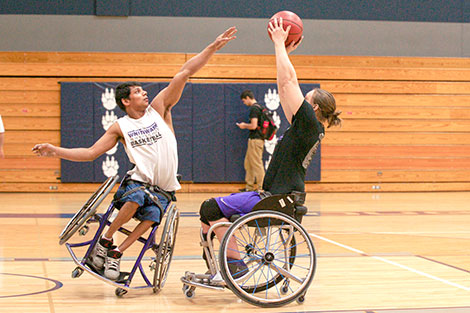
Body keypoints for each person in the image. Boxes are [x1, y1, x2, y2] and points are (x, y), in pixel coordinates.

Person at [32, 27, 237, 280]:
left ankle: (116, 253)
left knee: (152, 217)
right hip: (139, 182)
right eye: (139, 92)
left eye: (143, 90)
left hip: (164, 187)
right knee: (137, 197)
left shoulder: (159, 109)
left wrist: (213, 47)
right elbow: (89, 153)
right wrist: (54, 150)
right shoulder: (121, 126)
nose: (145, 93)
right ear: (126, 101)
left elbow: (184, 72)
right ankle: (105, 241)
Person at [198, 18, 342, 277]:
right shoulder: (305, 127)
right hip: (280, 198)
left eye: (307, 100)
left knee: (210, 208)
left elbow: (290, 83)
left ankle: (235, 266)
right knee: (208, 214)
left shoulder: (309, 122)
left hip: (275, 200)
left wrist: (278, 44)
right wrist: (283, 53)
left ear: (315, 108)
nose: (302, 101)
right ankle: (222, 265)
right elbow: (283, 87)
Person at [236, 90, 265, 192]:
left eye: (244, 101)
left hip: (255, 140)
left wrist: (244, 126)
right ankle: (249, 187)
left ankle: (262, 187)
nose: (244, 103)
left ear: (248, 98)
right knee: (248, 163)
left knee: (256, 164)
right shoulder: (259, 107)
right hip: (255, 139)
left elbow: (254, 125)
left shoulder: (254, 109)